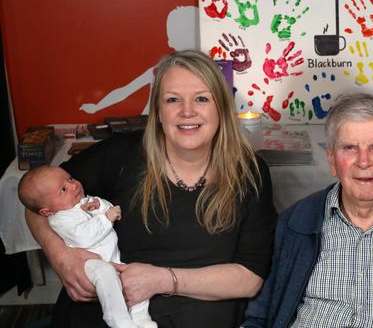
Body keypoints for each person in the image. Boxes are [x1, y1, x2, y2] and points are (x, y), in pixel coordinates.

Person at [25, 49, 277, 327]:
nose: (187, 112)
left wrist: (161, 280)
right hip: (107, 311)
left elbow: (249, 279)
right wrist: (61, 257)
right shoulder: (121, 154)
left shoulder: (250, 172)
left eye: (202, 99)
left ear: (222, 108)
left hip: (196, 313)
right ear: (157, 111)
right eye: (172, 100)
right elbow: (36, 205)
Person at [243, 92, 373, 328]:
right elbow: (258, 318)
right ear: (331, 160)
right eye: (350, 148)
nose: (364, 161)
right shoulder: (294, 225)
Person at [18, 165, 156, 328]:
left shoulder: (83, 201)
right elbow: (83, 237)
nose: (73, 185)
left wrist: (100, 206)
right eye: (63, 190)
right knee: (106, 273)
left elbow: (109, 208)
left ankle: (141, 318)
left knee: (137, 282)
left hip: (112, 258)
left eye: (69, 179)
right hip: (89, 264)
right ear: (47, 211)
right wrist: (105, 218)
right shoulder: (60, 219)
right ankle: (117, 318)